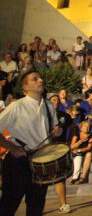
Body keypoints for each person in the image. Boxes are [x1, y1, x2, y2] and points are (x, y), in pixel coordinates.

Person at [0, 71, 63, 216]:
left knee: (36, 206)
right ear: (25, 87)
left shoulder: (48, 105)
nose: (40, 80)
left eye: (40, 78)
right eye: (35, 79)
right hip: (19, 161)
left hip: (41, 163)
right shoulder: (17, 106)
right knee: (8, 206)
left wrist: (57, 131)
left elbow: (54, 130)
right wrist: (11, 147)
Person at [70, 120, 92, 185]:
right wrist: (80, 142)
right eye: (85, 126)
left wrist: (79, 150)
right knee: (78, 158)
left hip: (84, 152)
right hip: (76, 153)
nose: (86, 128)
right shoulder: (77, 135)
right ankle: (75, 178)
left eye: (88, 127)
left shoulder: (91, 135)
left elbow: (89, 147)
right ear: (81, 128)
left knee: (87, 154)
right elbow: (72, 146)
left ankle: (83, 177)